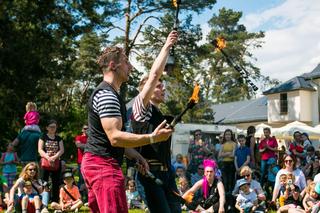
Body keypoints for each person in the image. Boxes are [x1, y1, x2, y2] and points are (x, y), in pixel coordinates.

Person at [81, 31, 176, 213]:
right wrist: (152, 137)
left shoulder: (114, 95)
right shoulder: (107, 95)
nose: (131, 66)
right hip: (103, 166)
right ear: (113, 65)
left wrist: (136, 155)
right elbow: (115, 137)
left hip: (99, 164)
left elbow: (111, 140)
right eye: (126, 61)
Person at [131, 30, 180, 213]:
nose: (163, 87)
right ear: (147, 90)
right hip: (149, 173)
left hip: (168, 172)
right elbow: (153, 75)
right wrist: (168, 45)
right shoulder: (141, 107)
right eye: (159, 85)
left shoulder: (158, 113)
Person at [38, 119, 64, 203]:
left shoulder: (59, 138)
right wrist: (48, 158)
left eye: (54, 127)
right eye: (51, 127)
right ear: (47, 128)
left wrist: (54, 157)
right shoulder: (43, 137)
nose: (53, 128)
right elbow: (40, 150)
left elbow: (62, 150)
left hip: (56, 162)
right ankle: (43, 200)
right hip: (45, 162)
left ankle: (55, 200)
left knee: (55, 182)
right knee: (43, 181)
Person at [218, 129, 236, 194]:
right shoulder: (223, 144)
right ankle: (225, 194)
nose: (227, 136)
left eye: (229, 134)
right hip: (224, 164)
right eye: (226, 134)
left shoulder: (234, 144)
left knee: (231, 181)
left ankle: (231, 195)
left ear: (231, 135)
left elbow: (233, 155)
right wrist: (228, 153)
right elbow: (219, 155)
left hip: (231, 164)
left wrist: (224, 154)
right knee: (225, 181)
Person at [74, 124, 88, 201]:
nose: (86, 130)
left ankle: (88, 197)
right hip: (81, 161)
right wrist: (91, 146)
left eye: (88, 128)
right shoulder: (79, 137)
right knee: (81, 180)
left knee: (89, 180)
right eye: (85, 128)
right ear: (82, 130)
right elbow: (79, 145)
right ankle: (80, 197)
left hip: (90, 161)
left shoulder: (91, 138)